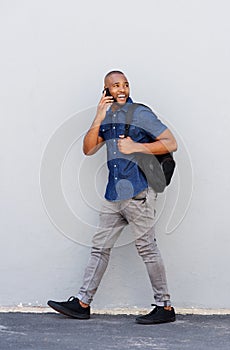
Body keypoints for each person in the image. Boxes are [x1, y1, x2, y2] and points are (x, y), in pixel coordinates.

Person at [48, 70, 178, 324]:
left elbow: (170, 142)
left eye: (125, 84)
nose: (122, 89)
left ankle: (165, 307)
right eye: (115, 85)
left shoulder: (140, 113)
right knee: (99, 249)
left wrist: (137, 147)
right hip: (113, 195)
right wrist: (98, 115)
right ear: (106, 90)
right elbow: (88, 149)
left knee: (147, 248)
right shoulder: (106, 116)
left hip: (138, 193)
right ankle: (83, 303)